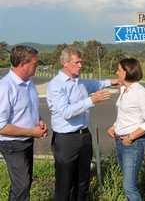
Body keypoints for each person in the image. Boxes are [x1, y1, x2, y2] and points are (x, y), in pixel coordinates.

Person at [46, 46, 118, 201]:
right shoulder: (56, 85)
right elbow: (66, 112)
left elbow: (96, 84)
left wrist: (115, 81)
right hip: (66, 140)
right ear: (65, 63)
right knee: (65, 184)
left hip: (84, 136)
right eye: (77, 62)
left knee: (83, 181)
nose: (81, 65)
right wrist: (91, 100)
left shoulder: (79, 82)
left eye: (81, 62)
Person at [0, 45, 48, 201]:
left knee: (23, 185)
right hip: (12, 144)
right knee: (22, 186)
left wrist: (39, 121)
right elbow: (1, 126)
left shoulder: (28, 83)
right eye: (35, 63)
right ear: (22, 64)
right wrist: (32, 132)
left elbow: (29, 109)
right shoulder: (5, 87)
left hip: (26, 141)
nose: (37, 66)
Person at [107, 58, 145, 201]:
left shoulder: (140, 92)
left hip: (133, 143)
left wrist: (131, 137)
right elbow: (125, 115)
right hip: (120, 141)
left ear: (127, 72)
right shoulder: (124, 89)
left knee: (129, 187)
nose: (116, 72)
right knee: (129, 185)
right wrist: (114, 127)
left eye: (119, 70)